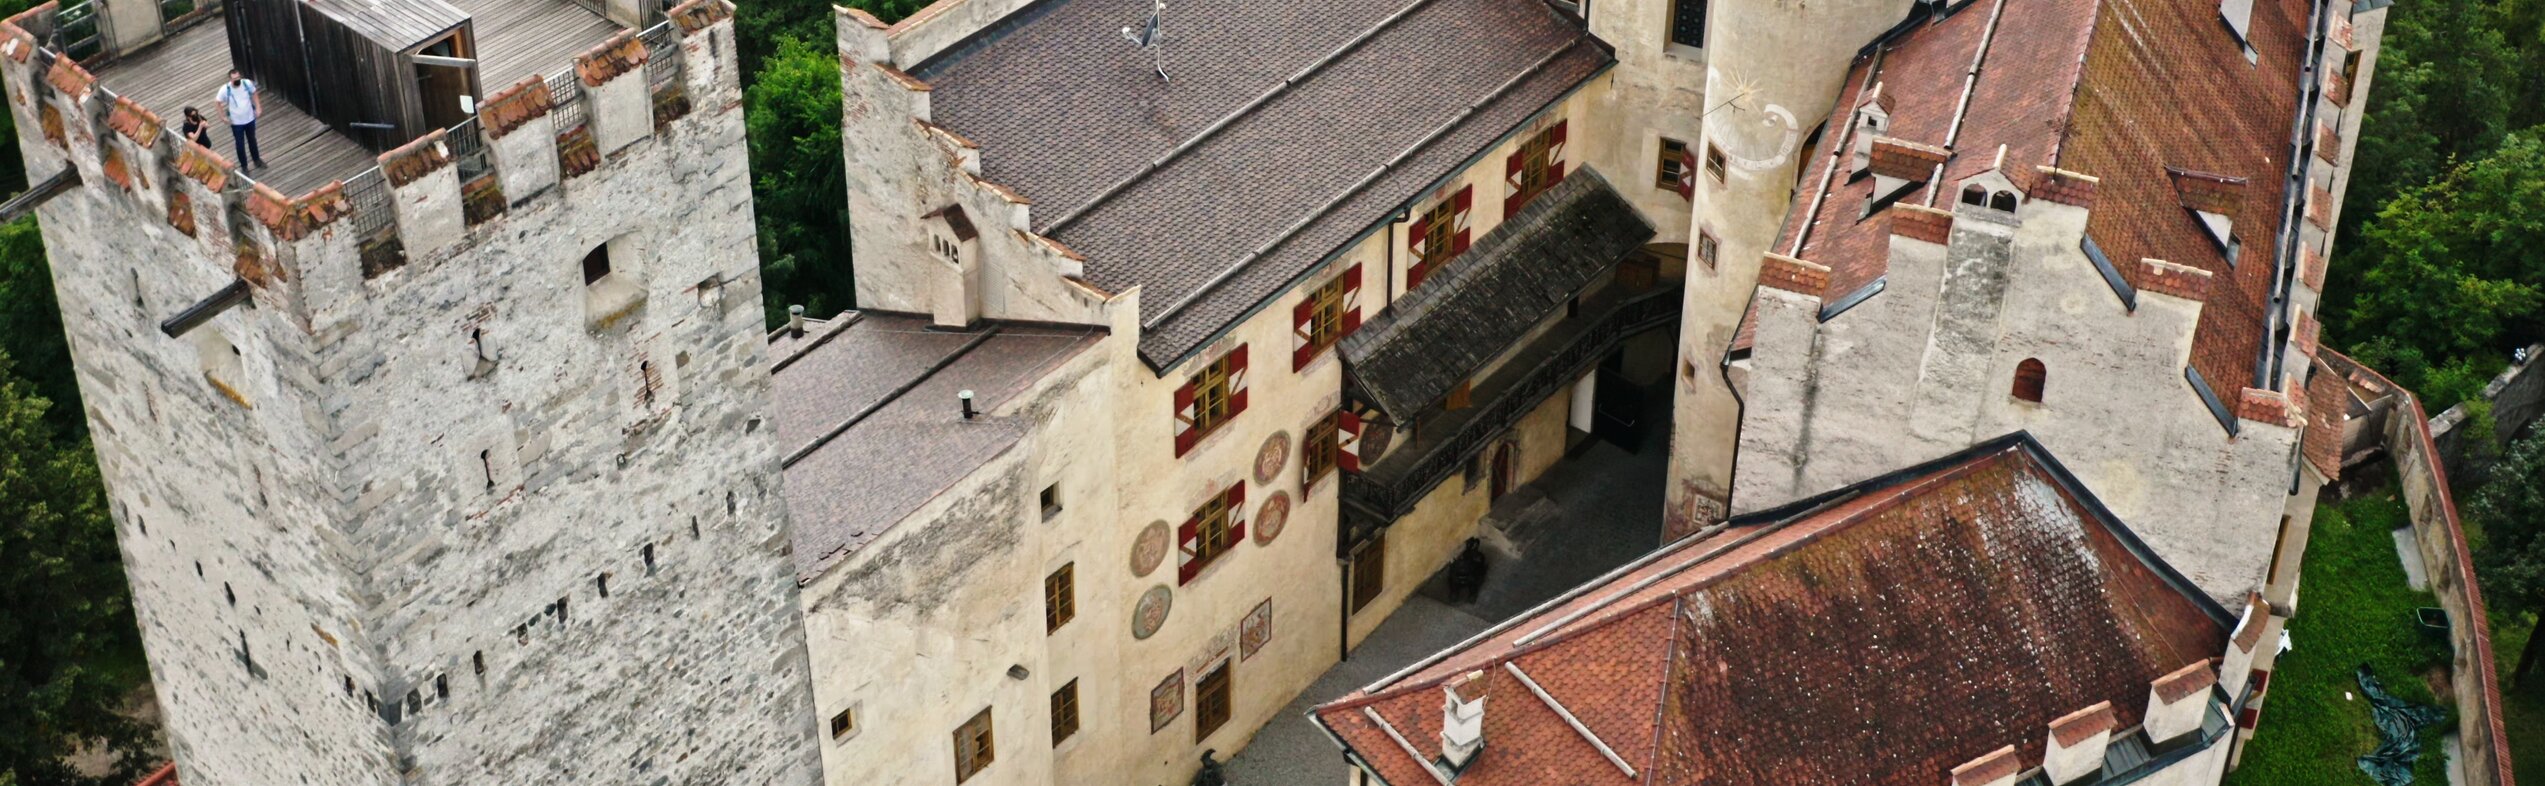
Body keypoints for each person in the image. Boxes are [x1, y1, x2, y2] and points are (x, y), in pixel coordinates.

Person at [214, 71, 266, 170]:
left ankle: (257, 160)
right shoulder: (225, 89)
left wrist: (258, 107)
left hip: (250, 118)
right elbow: (217, 102)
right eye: (234, 79)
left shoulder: (246, 83)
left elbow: (254, 93)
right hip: (236, 122)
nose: (237, 80)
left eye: (238, 77)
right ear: (230, 79)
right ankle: (244, 166)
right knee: (240, 144)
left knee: (252, 140)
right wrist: (222, 117)